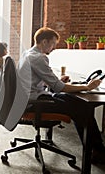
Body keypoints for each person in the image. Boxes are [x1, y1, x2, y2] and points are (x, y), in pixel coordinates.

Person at [18, 27, 105, 164]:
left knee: (74, 102)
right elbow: (59, 88)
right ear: (44, 41)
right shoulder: (39, 58)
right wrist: (87, 87)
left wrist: (57, 81)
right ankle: (97, 151)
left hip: (31, 98)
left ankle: (95, 149)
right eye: (53, 44)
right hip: (35, 103)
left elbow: (43, 81)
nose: (53, 48)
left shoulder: (28, 54)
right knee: (81, 108)